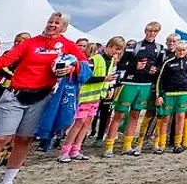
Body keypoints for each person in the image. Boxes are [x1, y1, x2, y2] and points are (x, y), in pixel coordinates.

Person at [0, 13, 86, 184]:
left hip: (41, 99)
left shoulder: (67, 45)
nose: (52, 25)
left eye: (57, 23)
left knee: (24, 140)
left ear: (64, 28)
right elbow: (4, 60)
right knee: (0, 140)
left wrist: (73, 67)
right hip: (15, 96)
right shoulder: (31, 43)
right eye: (50, 22)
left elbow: (84, 64)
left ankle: (7, 183)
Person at [59, 36, 125, 161]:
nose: (116, 52)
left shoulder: (110, 61)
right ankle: (64, 151)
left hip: (96, 97)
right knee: (79, 123)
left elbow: (106, 78)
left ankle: (76, 150)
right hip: (85, 96)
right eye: (116, 49)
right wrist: (104, 79)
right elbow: (84, 77)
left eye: (119, 50)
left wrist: (108, 89)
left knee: (87, 124)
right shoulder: (95, 59)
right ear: (109, 46)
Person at [104, 21, 163, 156]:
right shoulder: (134, 46)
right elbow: (120, 65)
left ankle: (127, 146)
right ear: (145, 31)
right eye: (149, 31)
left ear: (157, 33)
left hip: (146, 86)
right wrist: (134, 67)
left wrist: (156, 69)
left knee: (135, 115)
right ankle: (109, 147)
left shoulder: (160, 48)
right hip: (129, 84)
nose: (152, 33)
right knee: (119, 114)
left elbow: (160, 67)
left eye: (155, 31)